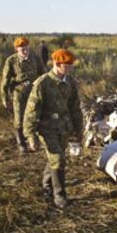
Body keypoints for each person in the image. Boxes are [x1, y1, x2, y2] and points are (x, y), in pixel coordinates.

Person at [23, 49, 83, 208]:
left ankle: (47, 185)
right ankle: (60, 196)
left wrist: (79, 130)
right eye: (67, 66)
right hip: (46, 129)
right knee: (58, 159)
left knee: (56, 158)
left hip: (64, 129)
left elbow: (75, 108)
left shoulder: (70, 82)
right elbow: (31, 112)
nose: (70, 69)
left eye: (71, 65)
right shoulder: (42, 84)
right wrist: (30, 136)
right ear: (57, 64)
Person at [0, 37, 47, 153]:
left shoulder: (35, 58)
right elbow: (5, 81)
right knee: (19, 119)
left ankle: (35, 141)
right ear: (17, 49)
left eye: (26, 49)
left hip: (34, 93)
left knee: (36, 116)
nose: (25, 52)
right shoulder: (11, 61)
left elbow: (43, 74)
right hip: (19, 94)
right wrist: (5, 98)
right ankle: (21, 144)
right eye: (22, 50)